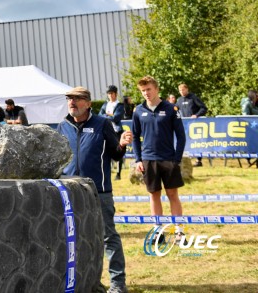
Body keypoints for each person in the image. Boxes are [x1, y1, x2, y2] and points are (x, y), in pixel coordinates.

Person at [58, 86, 132, 293]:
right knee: (74, 240)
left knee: (108, 237)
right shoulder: (62, 126)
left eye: (77, 99)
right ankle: (86, 283)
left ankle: (117, 284)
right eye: (69, 99)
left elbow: (116, 155)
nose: (72, 102)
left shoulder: (102, 124)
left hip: (99, 191)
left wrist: (123, 144)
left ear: (88, 103)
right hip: (71, 192)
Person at [132, 76, 186, 234]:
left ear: (156, 89)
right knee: (154, 194)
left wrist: (177, 159)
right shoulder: (138, 111)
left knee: (172, 194)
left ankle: (179, 229)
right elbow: (135, 136)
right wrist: (138, 159)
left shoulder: (171, 109)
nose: (146, 93)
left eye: (148, 89)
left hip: (169, 158)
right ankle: (158, 230)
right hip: (148, 160)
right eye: (143, 91)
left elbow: (181, 136)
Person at [177, 83, 207, 167]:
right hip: (184, 125)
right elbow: (175, 109)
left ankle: (199, 160)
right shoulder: (179, 100)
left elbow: (204, 108)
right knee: (185, 141)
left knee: (196, 142)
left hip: (195, 124)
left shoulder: (193, 98)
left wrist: (196, 115)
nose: (182, 92)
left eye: (183, 90)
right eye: (180, 90)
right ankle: (185, 158)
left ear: (187, 89)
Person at [99, 85, 126, 180]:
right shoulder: (105, 104)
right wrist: (109, 115)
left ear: (116, 94)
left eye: (112, 93)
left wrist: (106, 115)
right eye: (109, 93)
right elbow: (99, 115)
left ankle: (119, 173)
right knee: (106, 152)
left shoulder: (120, 105)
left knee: (118, 152)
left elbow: (116, 118)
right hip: (106, 131)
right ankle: (108, 171)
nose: (110, 95)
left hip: (117, 131)